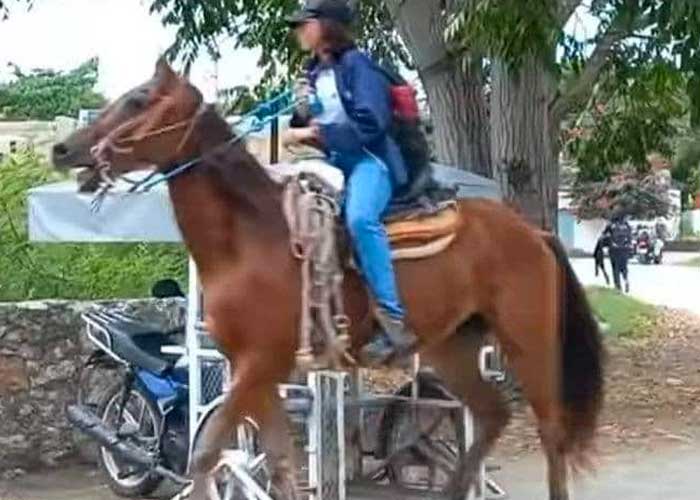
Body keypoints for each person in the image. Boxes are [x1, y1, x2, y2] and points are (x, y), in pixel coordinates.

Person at [283, 0, 417, 365]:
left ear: (327, 26)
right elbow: (308, 126)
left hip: (370, 162)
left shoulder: (359, 66)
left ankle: (393, 320)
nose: (299, 31)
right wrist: (300, 116)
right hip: (332, 163)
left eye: (305, 24)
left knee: (359, 219)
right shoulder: (312, 72)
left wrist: (315, 131)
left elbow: (371, 124)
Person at [603, 209, 633, 293]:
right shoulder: (627, 225)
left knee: (615, 268)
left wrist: (606, 245)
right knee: (624, 267)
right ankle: (626, 279)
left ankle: (618, 287)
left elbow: (604, 236)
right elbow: (630, 238)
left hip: (614, 250)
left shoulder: (611, 225)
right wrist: (629, 246)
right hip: (625, 249)